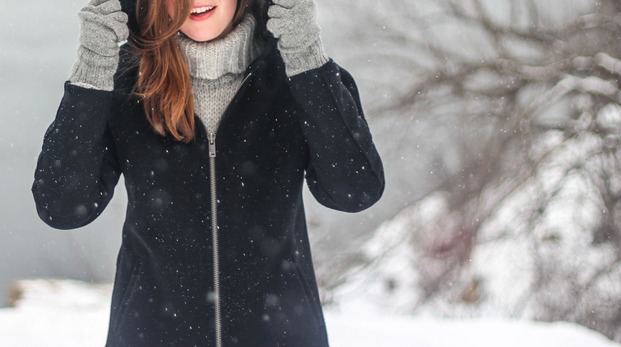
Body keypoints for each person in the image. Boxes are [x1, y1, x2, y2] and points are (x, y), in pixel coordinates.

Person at [32, 0, 384, 345]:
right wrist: (93, 67)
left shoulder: (298, 76)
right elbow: (62, 207)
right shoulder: (127, 85)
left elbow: (355, 191)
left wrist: (305, 54)